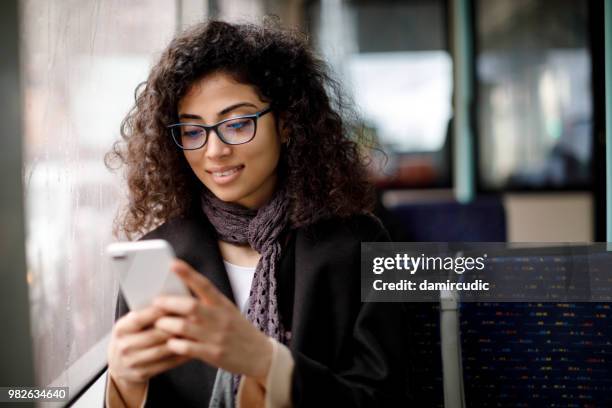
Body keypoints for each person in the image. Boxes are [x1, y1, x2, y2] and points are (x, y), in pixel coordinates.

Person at [104, 19, 411, 407]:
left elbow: (382, 398)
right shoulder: (157, 255)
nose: (214, 151)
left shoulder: (360, 244)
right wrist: (127, 384)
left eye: (236, 124)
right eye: (193, 131)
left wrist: (267, 363)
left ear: (285, 123)